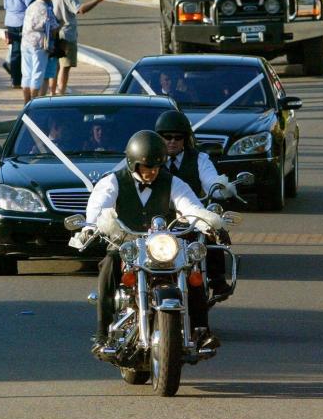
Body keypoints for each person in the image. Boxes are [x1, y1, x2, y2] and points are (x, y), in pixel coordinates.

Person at [82, 130, 224, 356]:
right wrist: (90, 225)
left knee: (192, 272)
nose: (152, 172)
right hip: (126, 243)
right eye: (146, 167)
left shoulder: (173, 182)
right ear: (132, 163)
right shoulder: (113, 181)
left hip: (163, 244)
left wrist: (206, 223)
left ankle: (201, 331)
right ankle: (103, 333)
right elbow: (99, 205)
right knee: (108, 264)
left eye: (156, 167)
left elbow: (190, 207)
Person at [155, 110, 237, 299]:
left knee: (211, 229)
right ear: (158, 138)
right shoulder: (151, 160)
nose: (172, 141)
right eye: (167, 137)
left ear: (186, 139)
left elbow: (210, 181)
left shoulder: (200, 159)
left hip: (189, 219)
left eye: (178, 137)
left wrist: (222, 187)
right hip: (157, 220)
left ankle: (217, 281)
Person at [52, 0, 108, 95]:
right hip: (66, 33)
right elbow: (80, 10)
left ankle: (53, 90)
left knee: (56, 65)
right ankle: (61, 91)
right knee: (65, 66)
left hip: (55, 31)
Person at [20, 0, 58, 103]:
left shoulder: (30, 7)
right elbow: (54, 28)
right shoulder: (46, 9)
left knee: (26, 73)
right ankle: (34, 101)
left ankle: (26, 101)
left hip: (26, 42)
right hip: (40, 44)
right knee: (37, 73)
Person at [1, 0, 36, 89]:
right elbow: (30, 5)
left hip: (10, 19)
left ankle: (14, 79)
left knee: (14, 49)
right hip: (22, 20)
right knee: (23, 50)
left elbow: (5, 4)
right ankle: (20, 77)